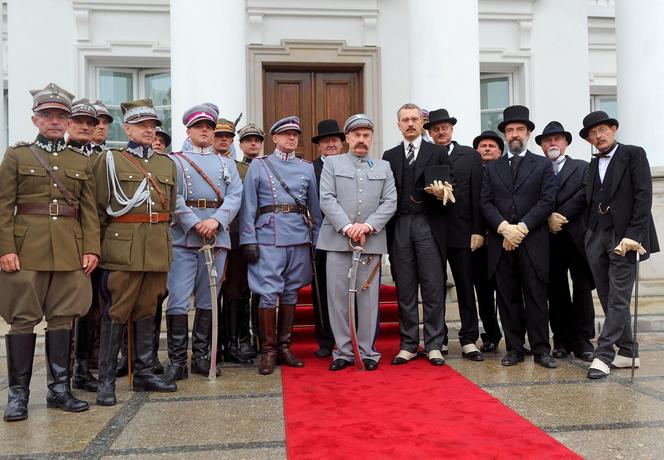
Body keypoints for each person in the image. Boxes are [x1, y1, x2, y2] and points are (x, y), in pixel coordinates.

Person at [0, 83, 100, 421]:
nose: (54, 121)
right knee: (22, 320)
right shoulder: (18, 155)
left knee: (63, 318)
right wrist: (6, 249)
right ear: (35, 119)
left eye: (61, 116)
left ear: (68, 121)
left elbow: (88, 209)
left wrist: (91, 249)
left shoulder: (78, 159)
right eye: (47, 115)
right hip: (26, 248)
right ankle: (18, 396)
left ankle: (59, 389)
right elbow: (3, 206)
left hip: (70, 249)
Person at [93, 98, 177, 406]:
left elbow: (170, 208)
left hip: (155, 248)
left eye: (152, 126)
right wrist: (97, 249)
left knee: (147, 309)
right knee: (115, 312)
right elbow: (99, 210)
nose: (148, 130)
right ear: (127, 128)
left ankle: (143, 373)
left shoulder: (166, 164)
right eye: (141, 126)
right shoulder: (111, 160)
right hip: (123, 249)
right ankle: (105, 380)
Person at [164, 104, 242, 381]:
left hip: (216, 234)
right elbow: (172, 196)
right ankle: (176, 360)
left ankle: (201, 355)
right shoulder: (176, 161)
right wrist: (194, 222)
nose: (205, 131)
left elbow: (235, 196)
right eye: (199, 127)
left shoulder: (226, 162)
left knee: (209, 297)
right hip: (185, 237)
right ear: (189, 130)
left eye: (209, 127)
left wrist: (217, 220)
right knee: (179, 298)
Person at [239, 115, 322, 375]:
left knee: (291, 293)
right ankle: (268, 350)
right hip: (268, 237)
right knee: (267, 292)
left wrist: (317, 242)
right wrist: (248, 239)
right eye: (286, 134)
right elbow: (248, 206)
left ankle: (285, 347)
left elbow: (315, 210)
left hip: (298, 236)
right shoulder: (260, 166)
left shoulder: (307, 167)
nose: (291, 138)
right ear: (274, 138)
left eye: (295, 135)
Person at [580, 111, 659, 379]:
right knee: (605, 294)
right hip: (596, 235)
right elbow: (588, 200)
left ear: (614, 129)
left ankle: (603, 354)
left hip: (625, 236)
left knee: (618, 296)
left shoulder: (633, 154)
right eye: (592, 133)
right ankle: (628, 350)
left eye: (602, 129)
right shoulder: (592, 165)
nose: (598, 136)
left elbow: (643, 195)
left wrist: (635, 234)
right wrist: (588, 234)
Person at [480, 105, 557, 368]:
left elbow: (547, 201)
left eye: (519, 130)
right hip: (502, 243)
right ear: (505, 135)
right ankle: (514, 348)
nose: (514, 134)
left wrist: (521, 228)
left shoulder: (543, 165)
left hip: (532, 241)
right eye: (510, 130)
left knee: (536, 296)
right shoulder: (492, 168)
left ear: (528, 133)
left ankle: (541, 349)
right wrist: (504, 228)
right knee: (507, 296)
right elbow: (485, 202)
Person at [319, 114, 397, 371]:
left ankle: (367, 351)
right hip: (337, 239)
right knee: (338, 299)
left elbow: (390, 202)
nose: (361, 140)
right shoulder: (332, 163)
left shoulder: (383, 167)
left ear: (371, 138)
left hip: (370, 241)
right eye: (356, 135)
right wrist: (348, 227)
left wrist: (368, 226)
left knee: (367, 299)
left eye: (366, 136)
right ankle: (342, 351)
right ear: (348, 138)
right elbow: (327, 198)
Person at [383, 103, 453, 367]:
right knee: (406, 288)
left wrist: (443, 192)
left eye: (414, 119)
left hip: (428, 224)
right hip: (400, 225)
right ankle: (409, 344)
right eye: (405, 120)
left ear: (422, 123)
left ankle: (434, 344)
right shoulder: (389, 156)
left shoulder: (437, 152)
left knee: (433, 285)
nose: (410, 124)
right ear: (398, 125)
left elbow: (451, 186)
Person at [426, 108, 484, 361]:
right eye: (436, 128)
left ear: (451, 129)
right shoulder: (425, 156)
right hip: (432, 233)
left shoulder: (470, 156)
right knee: (434, 288)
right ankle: (438, 339)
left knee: (465, 286)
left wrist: (478, 230)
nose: (441, 131)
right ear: (429, 132)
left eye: (445, 127)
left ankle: (470, 339)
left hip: (462, 232)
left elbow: (478, 195)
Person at [536, 121, 595, 362]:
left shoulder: (582, 167)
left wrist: (560, 215)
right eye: (547, 140)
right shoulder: (537, 169)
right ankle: (560, 339)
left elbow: (585, 192)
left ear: (566, 143)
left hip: (576, 238)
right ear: (541, 145)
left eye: (557, 139)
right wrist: (547, 218)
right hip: (548, 240)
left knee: (582, 288)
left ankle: (582, 340)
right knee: (556, 290)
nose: (552, 143)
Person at [65, 99, 103, 393]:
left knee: (92, 307)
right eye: (79, 121)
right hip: (66, 240)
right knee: (65, 308)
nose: (85, 127)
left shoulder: (103, 157)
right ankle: (62, 369)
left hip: (99, 239)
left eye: (90, 123)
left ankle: (83, 366)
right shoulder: (58, 155)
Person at [219, 122, 266, 365]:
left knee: (254, 290)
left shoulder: (267, 166)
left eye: (257, 140)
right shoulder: (234, 167)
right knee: (234, 291)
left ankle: (250, 338)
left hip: (262, 236)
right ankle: (233, 341)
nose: (253, 144)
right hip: (236, 237)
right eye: (248, 140)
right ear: (241, 144)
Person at [311, 119, 346, 358]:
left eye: (334, 140)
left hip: (348, 235)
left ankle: (350, 335)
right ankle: (325, 340)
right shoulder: (309, 168)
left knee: (347, 289)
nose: (331, 144)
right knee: (321, 290)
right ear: (320, 145)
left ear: (341, 144)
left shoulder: (352, 164)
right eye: (326, 141)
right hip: (321, 236)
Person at [470, 131, 504, 353]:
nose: (488, 149)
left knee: (508, 292)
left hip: (504, 241)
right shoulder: (471, 173)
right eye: (483, 146)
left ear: (500, 151)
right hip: (478, 243)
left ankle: (515, 336)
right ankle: (491, 335)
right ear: (476, 151)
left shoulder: (508, 172)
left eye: (492, 145)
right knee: (483, 293)